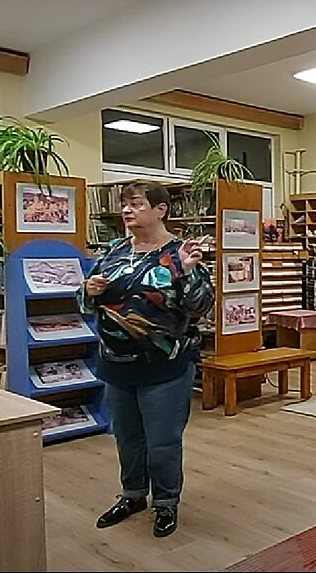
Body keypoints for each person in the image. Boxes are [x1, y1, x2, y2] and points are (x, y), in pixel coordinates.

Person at [78, 181, 214, 538]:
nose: (127, 210)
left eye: (136, 204)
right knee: (126, 437)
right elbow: (85, 301)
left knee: (162, 441)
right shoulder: (113, 250)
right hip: (116, 364)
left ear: (160, 210)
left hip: (164, 365)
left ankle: (166, 503)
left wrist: (185, 271)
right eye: (125, 204)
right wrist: (88, 292)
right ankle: (133, 495)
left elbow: (201, 307)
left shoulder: (181, 252)